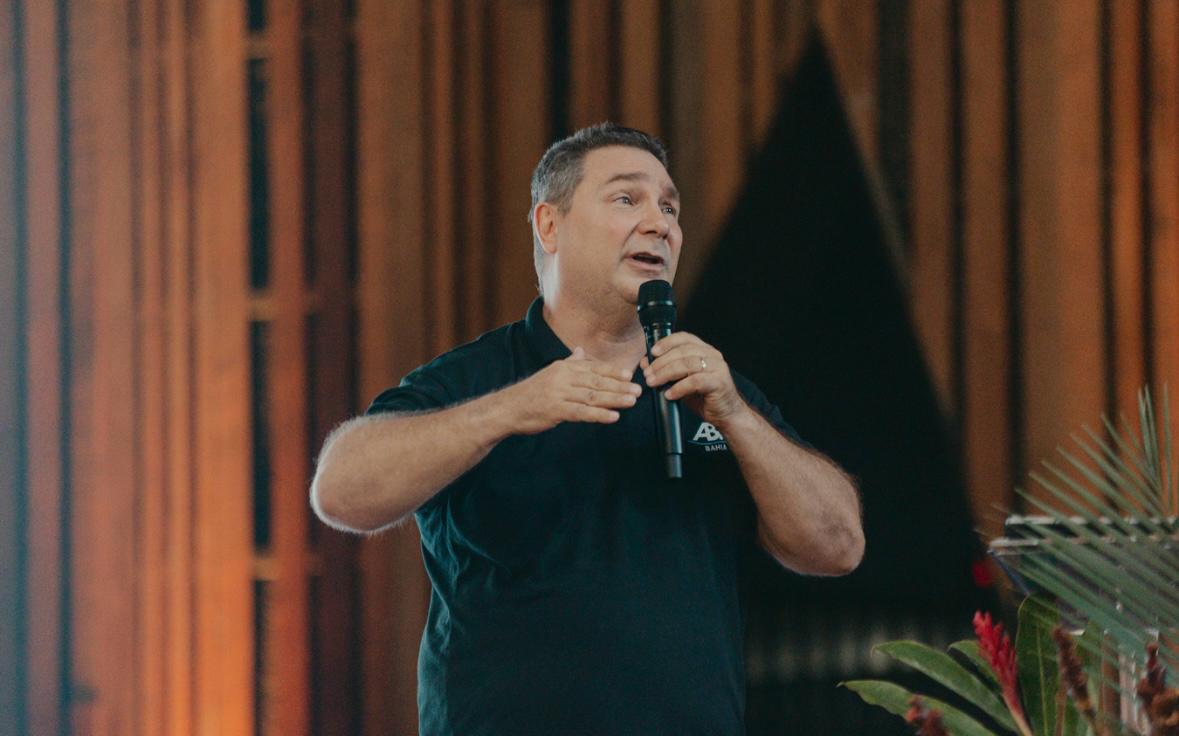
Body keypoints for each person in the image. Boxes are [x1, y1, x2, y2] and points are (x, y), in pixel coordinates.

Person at [310, 122, 864, 735]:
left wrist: (737, 417)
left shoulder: (710, 390)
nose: (659, 224)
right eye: (627, 198)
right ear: (549, 225)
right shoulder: (477, 379)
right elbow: (340, 492)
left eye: (670, 208)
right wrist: (511, 410)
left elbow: (839, 547)